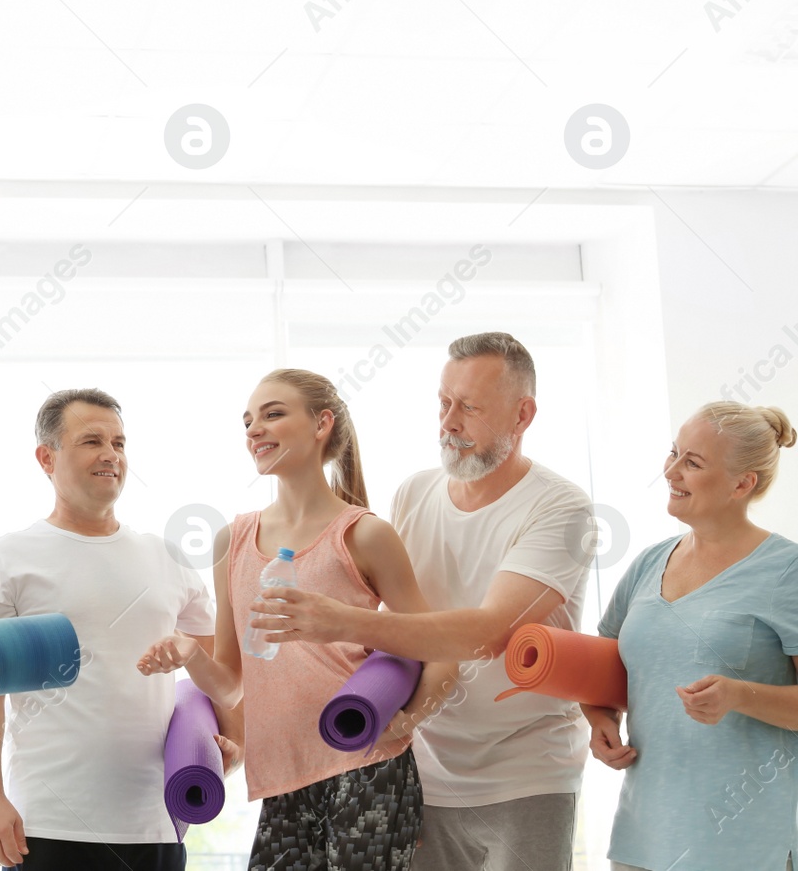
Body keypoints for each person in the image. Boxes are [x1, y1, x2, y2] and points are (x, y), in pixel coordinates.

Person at [254, 333, 595, 871]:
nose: (449, 422)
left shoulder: (561, 508)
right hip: (423, 769)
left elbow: (486, 633)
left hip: (527, 771)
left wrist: (343, 621)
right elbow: (401, 627)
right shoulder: (413, 493)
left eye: (470, 407)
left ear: (523, 414)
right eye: (444, 402)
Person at [139, 368, 455, 870]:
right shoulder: (233, 540)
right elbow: (228, 683)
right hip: (282, 779)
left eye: (273, 414)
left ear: (321, 423)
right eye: (247, 422)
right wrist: (188, 652)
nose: (254, 431)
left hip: (368, 769)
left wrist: (404, 721)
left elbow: (438, 649)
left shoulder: (364, 535)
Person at [0, 388, 243, 871]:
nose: (111, 454)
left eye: (119, 442)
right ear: (46, 458)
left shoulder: (167, 558)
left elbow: (222, 675)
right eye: (92, 441)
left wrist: (233, 743)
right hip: (46, 825)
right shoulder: (9, 557)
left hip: (156, 821)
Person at [585, 401, 798, 871]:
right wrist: (597, 716)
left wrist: (740, 695)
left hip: (746, 844)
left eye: (693, 463)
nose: (671, 471)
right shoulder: (648, 562)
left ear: (743, 484)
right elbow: (601, 664)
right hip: (645, 836)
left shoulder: (788, 571)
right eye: (674, 453)